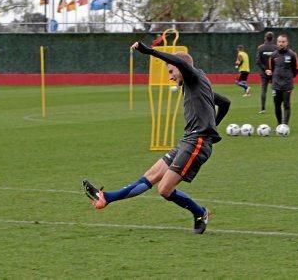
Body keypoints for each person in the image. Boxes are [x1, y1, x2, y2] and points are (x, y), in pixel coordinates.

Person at [83, 41, 231, 235]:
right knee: (150, 176)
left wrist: (148, 51)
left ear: (181, 67)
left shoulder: (195, 76)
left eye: (171, 72)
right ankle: (106, 197)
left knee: (164, 190)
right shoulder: (194, 85)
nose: (170, 77)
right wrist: (213, 125)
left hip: (198, 142)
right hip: (188, 140)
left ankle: (200, 212)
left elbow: (222, 102)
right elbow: (225, 103)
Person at [266, 34, 298, 126]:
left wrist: (289, 77)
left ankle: (285, 125)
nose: (281, 43)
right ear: (277, 43)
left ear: (287, 43)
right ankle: (279, 124)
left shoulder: (292, 54)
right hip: (276, 84)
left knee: (286, 105)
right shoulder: (273, 55)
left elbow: (296, 69)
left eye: (283, 42)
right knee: (277, 106)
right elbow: (271, 68)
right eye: (279, 42)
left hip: (287, 84)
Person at [256, 32, 277, 114]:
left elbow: (258, 61)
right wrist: (271, 69)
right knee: (275, 90)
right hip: (274, 73)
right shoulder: (276, 48)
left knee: (263, 90)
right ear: (273, 38)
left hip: (264, 73)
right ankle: (277, 107)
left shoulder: (260, 48)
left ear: (265, 38)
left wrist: (265, 69)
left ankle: (263, 109)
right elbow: (278, 60)